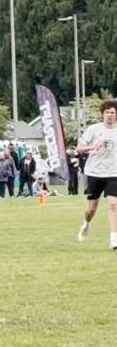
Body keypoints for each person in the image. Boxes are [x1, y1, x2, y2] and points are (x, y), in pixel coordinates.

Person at [76, 99, 117, 247]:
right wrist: (91, 147)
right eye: (107, 112)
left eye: (112, 112)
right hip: (95, 171)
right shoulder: (94, 129)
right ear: (103, 114)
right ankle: (86, 224)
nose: (109, 115)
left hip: (113, 172)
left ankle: (113, 238)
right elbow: (79, 148)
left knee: (113, 204)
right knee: (91, 208)